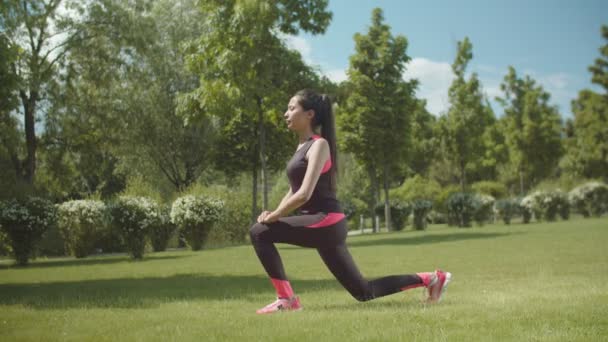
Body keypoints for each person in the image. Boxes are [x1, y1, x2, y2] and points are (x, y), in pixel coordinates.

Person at [249, 89, 451, 314]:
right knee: (363, 291)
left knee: (259, 232)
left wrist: (275, 217)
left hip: (326, 221)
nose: (286, 113)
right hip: (324, 225)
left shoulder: (319, 145)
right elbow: (293, 190)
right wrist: (274, 212)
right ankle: (433, 278)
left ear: (310, 114)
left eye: (292, 108)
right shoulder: (301, 147)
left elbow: (304, 193)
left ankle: (286, 300)